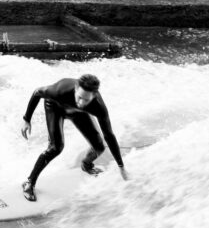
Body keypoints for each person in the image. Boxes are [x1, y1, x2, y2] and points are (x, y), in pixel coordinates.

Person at [19, 74, 128, 202]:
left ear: (93, 96)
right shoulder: (59, 90)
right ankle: (29, 182)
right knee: (56, 148)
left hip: (77, 113)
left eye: (86, 100)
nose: (81, 103)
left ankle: (86, 164)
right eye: (79, 97)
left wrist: (121, 166)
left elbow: (109, 135)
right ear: (75, 89)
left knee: (99, 146)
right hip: (56, 107)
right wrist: (26, 119)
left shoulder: (98, 107)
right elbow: (37, 92)